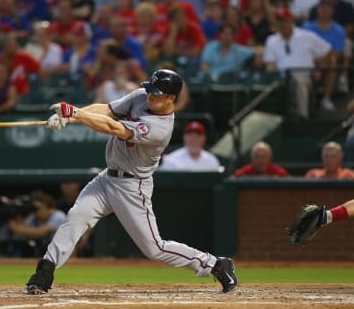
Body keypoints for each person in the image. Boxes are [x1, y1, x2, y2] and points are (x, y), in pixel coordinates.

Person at [25, 69, 238, 294]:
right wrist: (69, 117)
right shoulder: (141, 96)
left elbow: (114, 127)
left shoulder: (160, 129)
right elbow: (106, 110)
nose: (150, 96)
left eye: (157, 94)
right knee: (76, 216)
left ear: (171, 99)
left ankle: (214, 264)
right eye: (151, 91)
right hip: (107, 178)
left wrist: (76, 114)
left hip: (132, 186)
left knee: (155, 248)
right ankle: (44, 273)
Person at [263, 7, 332, 119]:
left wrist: (319, 68)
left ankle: (301, 117)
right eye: (279, 21)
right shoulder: (271, 40)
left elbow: (328, 51)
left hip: (304, 75)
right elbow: (270, 63)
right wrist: (269, 74)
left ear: (291, 20)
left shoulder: (307, 36)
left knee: (298, 80)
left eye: (285, 20)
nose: (282, 24)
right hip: (281, 77)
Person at [0, 190, 66, 257]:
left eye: (37, 208)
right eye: (33, 210)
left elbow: (41, 232)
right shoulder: (34, 217)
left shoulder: (58, 216)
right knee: (5, 230)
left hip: (61, 253)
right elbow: (23, 228)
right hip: (44, 250)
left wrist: (14, 226)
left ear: (45, 205)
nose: (35, 212)